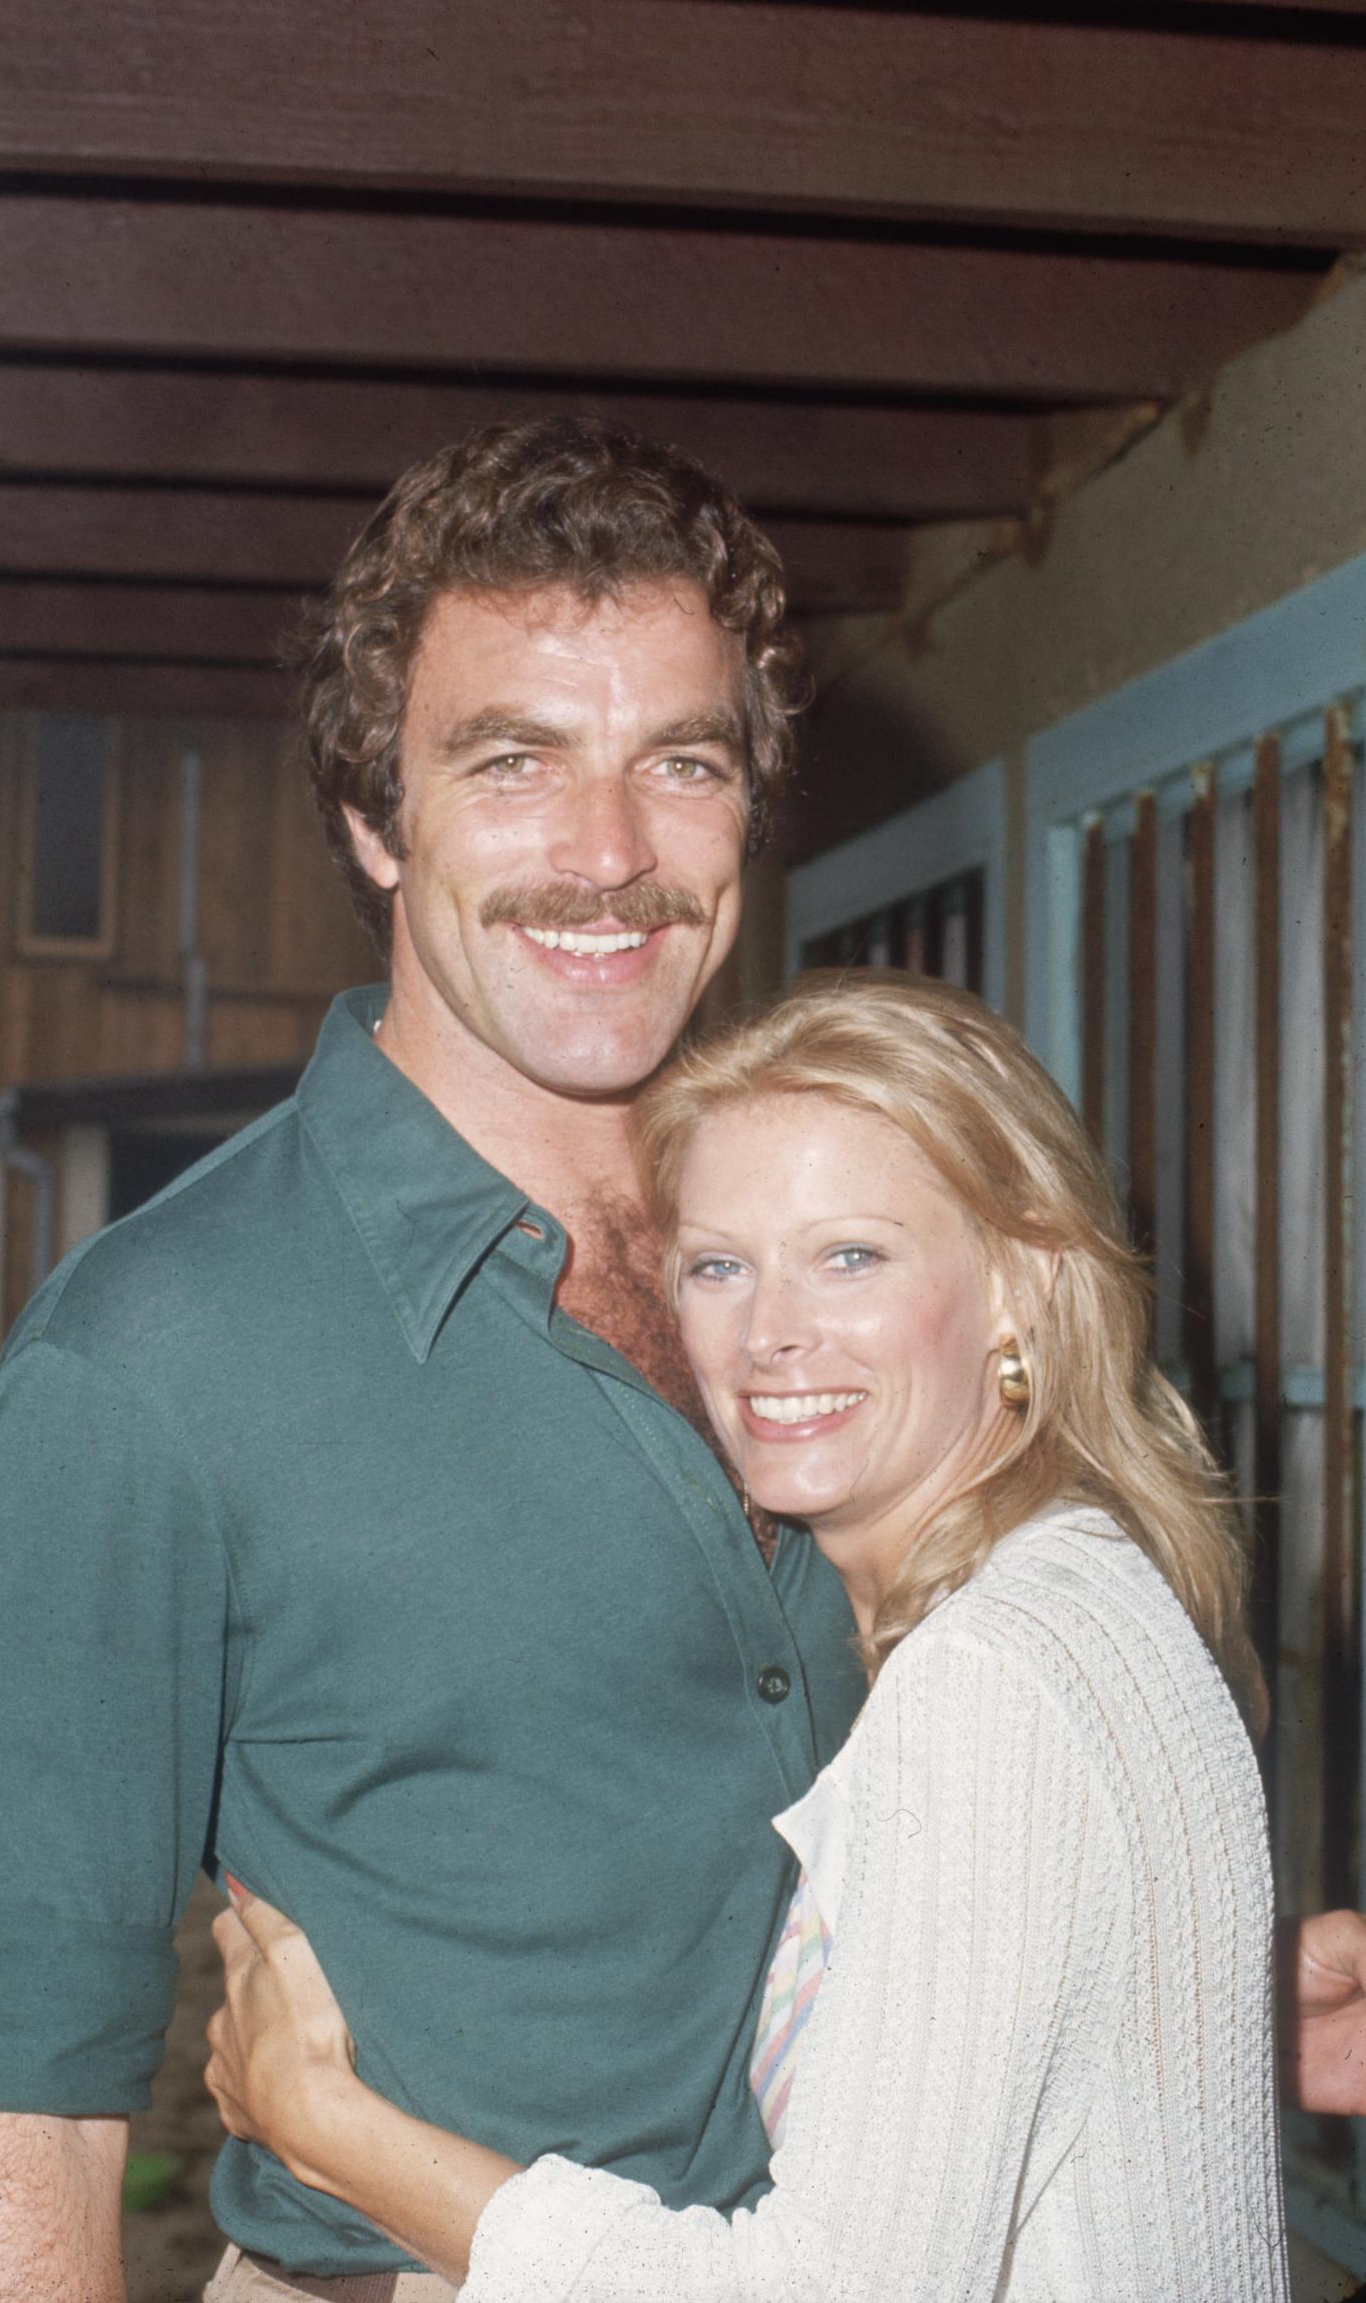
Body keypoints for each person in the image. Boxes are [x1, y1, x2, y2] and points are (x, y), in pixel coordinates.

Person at [0, 414, 1366, 2303]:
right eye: (510, 763)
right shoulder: (153, 1356)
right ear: (373, 816)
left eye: (677, 763)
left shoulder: (856, 1258)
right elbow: (21, 2093)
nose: (607, 858)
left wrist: (1173, 1991)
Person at [201, 972, 1287, 2298]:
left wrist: (331, 2130)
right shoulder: (1087, 1582)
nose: (770, 1332)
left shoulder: (988, 1679)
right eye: (717, 1265)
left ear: (1024, 1280)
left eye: (850, 1255)